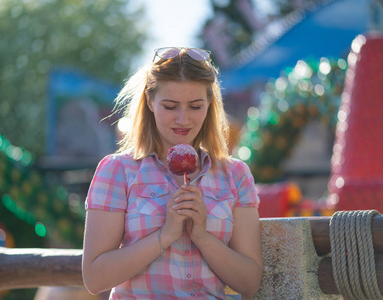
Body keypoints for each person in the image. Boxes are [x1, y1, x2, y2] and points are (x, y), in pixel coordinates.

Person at [82, 47, 262, 299]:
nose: (183, 119)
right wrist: (165, 235)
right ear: (149, 101)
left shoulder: (236, 175)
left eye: (195, 106)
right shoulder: (117, 171)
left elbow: (249, 282)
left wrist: (201, 235)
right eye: (170, 106)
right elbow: (95, 278)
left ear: (209, 104)